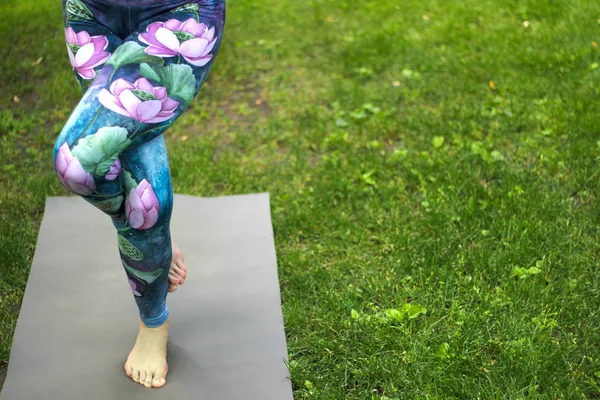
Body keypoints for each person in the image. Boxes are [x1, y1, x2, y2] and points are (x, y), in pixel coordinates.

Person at [52, 0, 225, 388]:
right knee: (133, 185)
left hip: (179, 13)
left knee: (78, 161)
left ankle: (153, 323)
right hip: (91, 13)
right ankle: (147, 235)